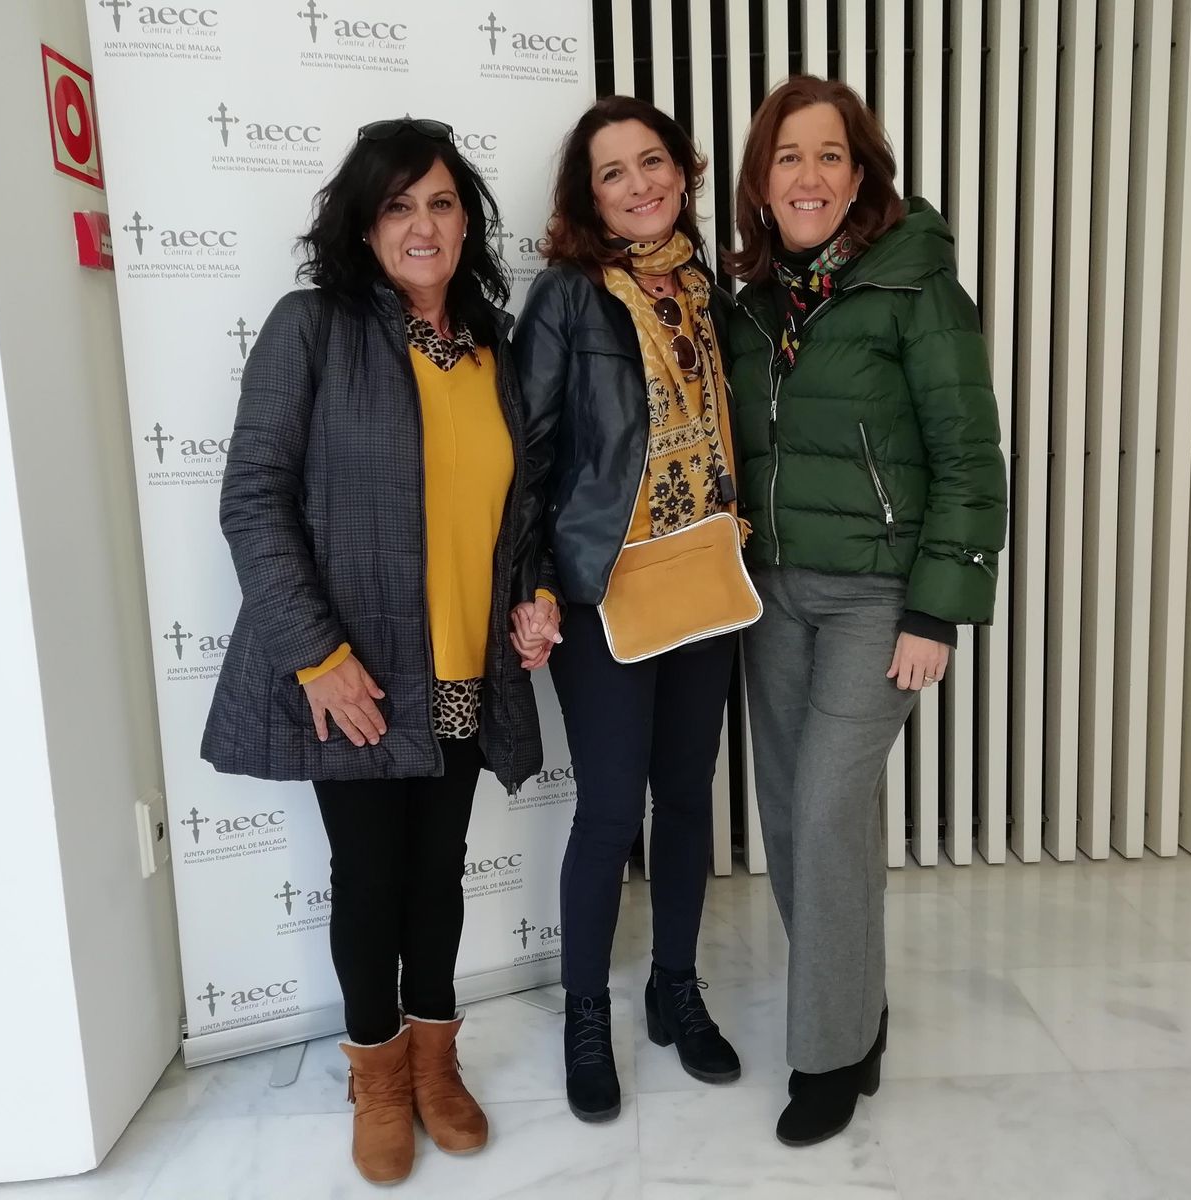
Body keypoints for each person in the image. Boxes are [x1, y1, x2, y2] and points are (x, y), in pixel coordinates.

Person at [201, 118, 555, 1185]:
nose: (422, 223)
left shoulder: (492, 344)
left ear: (466, 222)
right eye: (397, 204)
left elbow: (519, 510)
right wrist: (317, 655)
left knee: (436, 873)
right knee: (367, 878)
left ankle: (437, 1057)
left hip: (458, 669)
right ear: (361, 226)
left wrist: (532, 592)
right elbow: (252, 500)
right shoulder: (310, 328)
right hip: (352, 676)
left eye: (441, 202)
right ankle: (378, 1075)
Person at [724, 75, 1007, 1147]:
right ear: (762, 180)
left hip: (874, 595)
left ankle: (829, 1052)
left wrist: (935, 611)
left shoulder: (914, 286)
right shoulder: (748, 300)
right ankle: (855, 1006)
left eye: (829, 156)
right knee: (793, 816)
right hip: (769, 593)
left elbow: (969, 459)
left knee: (832, 812)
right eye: (788, 157)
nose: (809, 176)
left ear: (861, 173)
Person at [514, 95, 743, 1124]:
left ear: (682, 171)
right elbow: (529, 454)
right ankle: (584, 1019)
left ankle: (674, 991)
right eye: (613, 171)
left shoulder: (716, 291)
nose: (640, 183)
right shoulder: (567, 297)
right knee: (609, 811)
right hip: (603, 585)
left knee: (687, 799)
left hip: (706, 573)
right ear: (586, 194)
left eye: (653, 161)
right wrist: (530, 583)